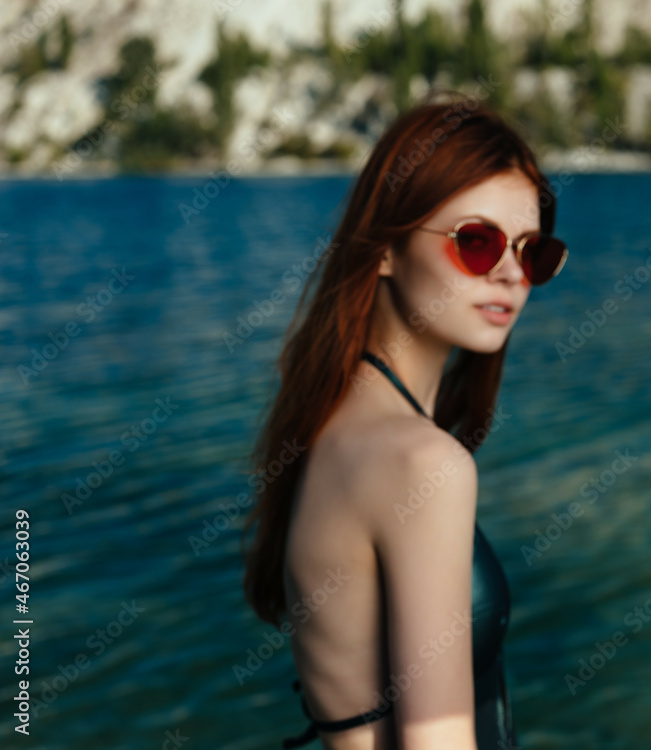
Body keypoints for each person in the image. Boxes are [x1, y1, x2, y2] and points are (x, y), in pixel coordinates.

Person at [240, 91, 569, 750]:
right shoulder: (425, 465)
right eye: (476, 243)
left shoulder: (330, 423)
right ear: (385, 248)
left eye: (533, 253)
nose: (510, 274)